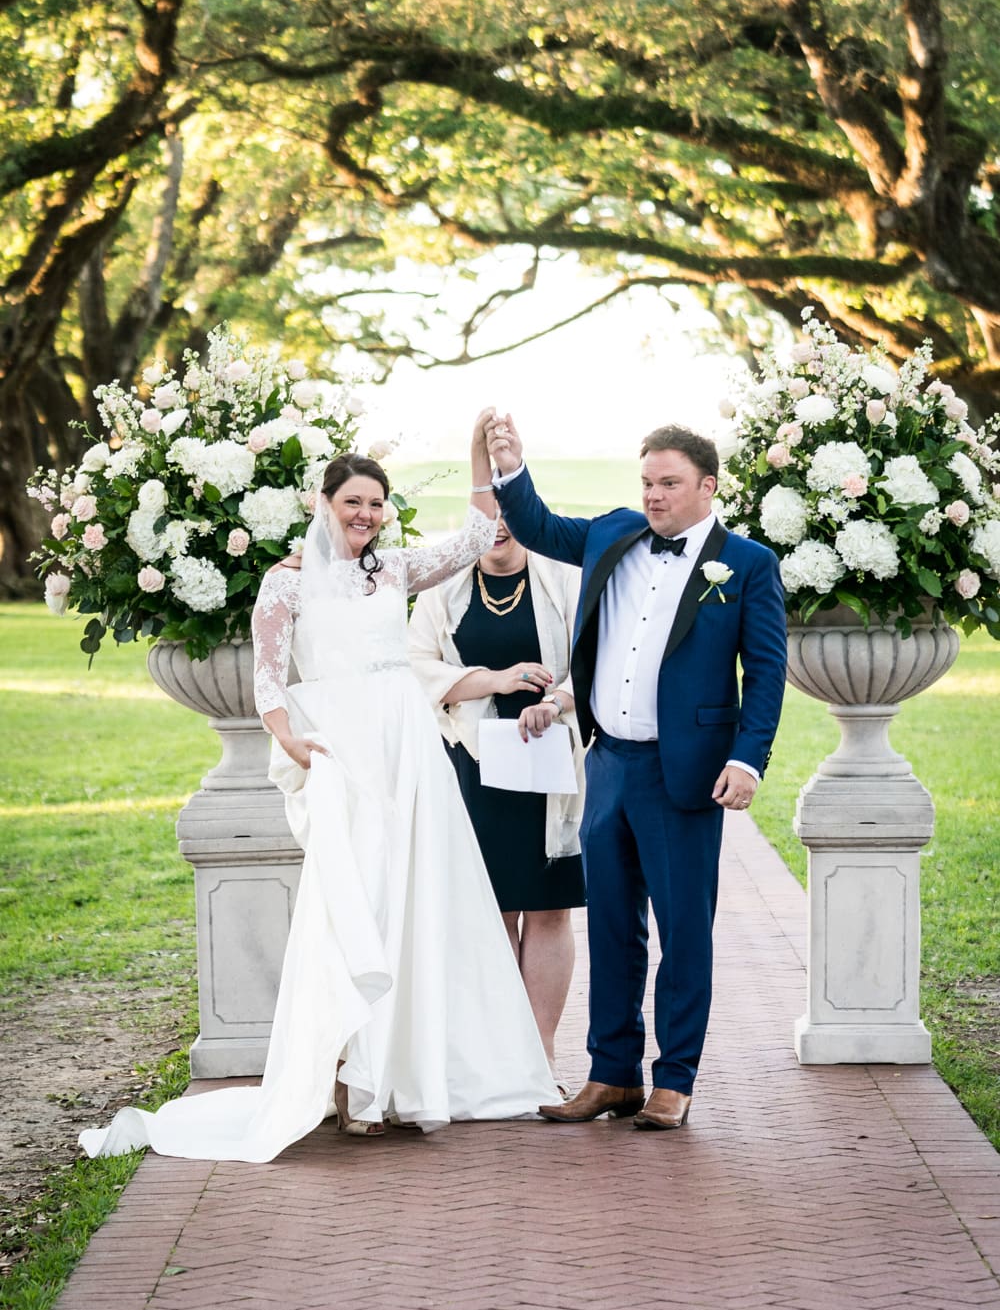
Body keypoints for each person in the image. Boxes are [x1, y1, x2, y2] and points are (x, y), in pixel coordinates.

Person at [79, 419, 558, 1162]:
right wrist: (288, 736)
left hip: (407, 746)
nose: (365, 515)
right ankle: (350, 1083)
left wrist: (476, 453)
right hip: (342, 748)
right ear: (325, 501)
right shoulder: (286, 581)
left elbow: (475, 533)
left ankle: (401, 1081)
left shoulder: (393, 570)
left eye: (376, 503)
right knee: (354, 905)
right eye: (353, 502)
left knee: (411, 902)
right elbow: (270, 676)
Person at [484, 413, 787, 1131]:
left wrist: (748, 758)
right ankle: (611, 1075)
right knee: (614, 928)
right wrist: (510, 467)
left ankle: (673, 1080)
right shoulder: (613, 534)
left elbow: (768, 670)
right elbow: (537, 526)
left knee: (685, 931)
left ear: (708, 487)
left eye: (670, 484)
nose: (654, 496)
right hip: (609, 766)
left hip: (684, 774)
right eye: (648, 482)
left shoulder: (745, 564)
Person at [408, 512, 586, 1088]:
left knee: (549, 906)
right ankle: (498, 1058)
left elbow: (598, 657)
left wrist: (556, 700)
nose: (500, 528)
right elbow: (414, 667)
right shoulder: (444, 587)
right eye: (488, 518)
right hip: (475, 765)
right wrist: (497, 680)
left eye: (511, 516)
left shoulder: (563, 578)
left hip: (552, 762)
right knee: (493, 911)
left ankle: (542, 1058)